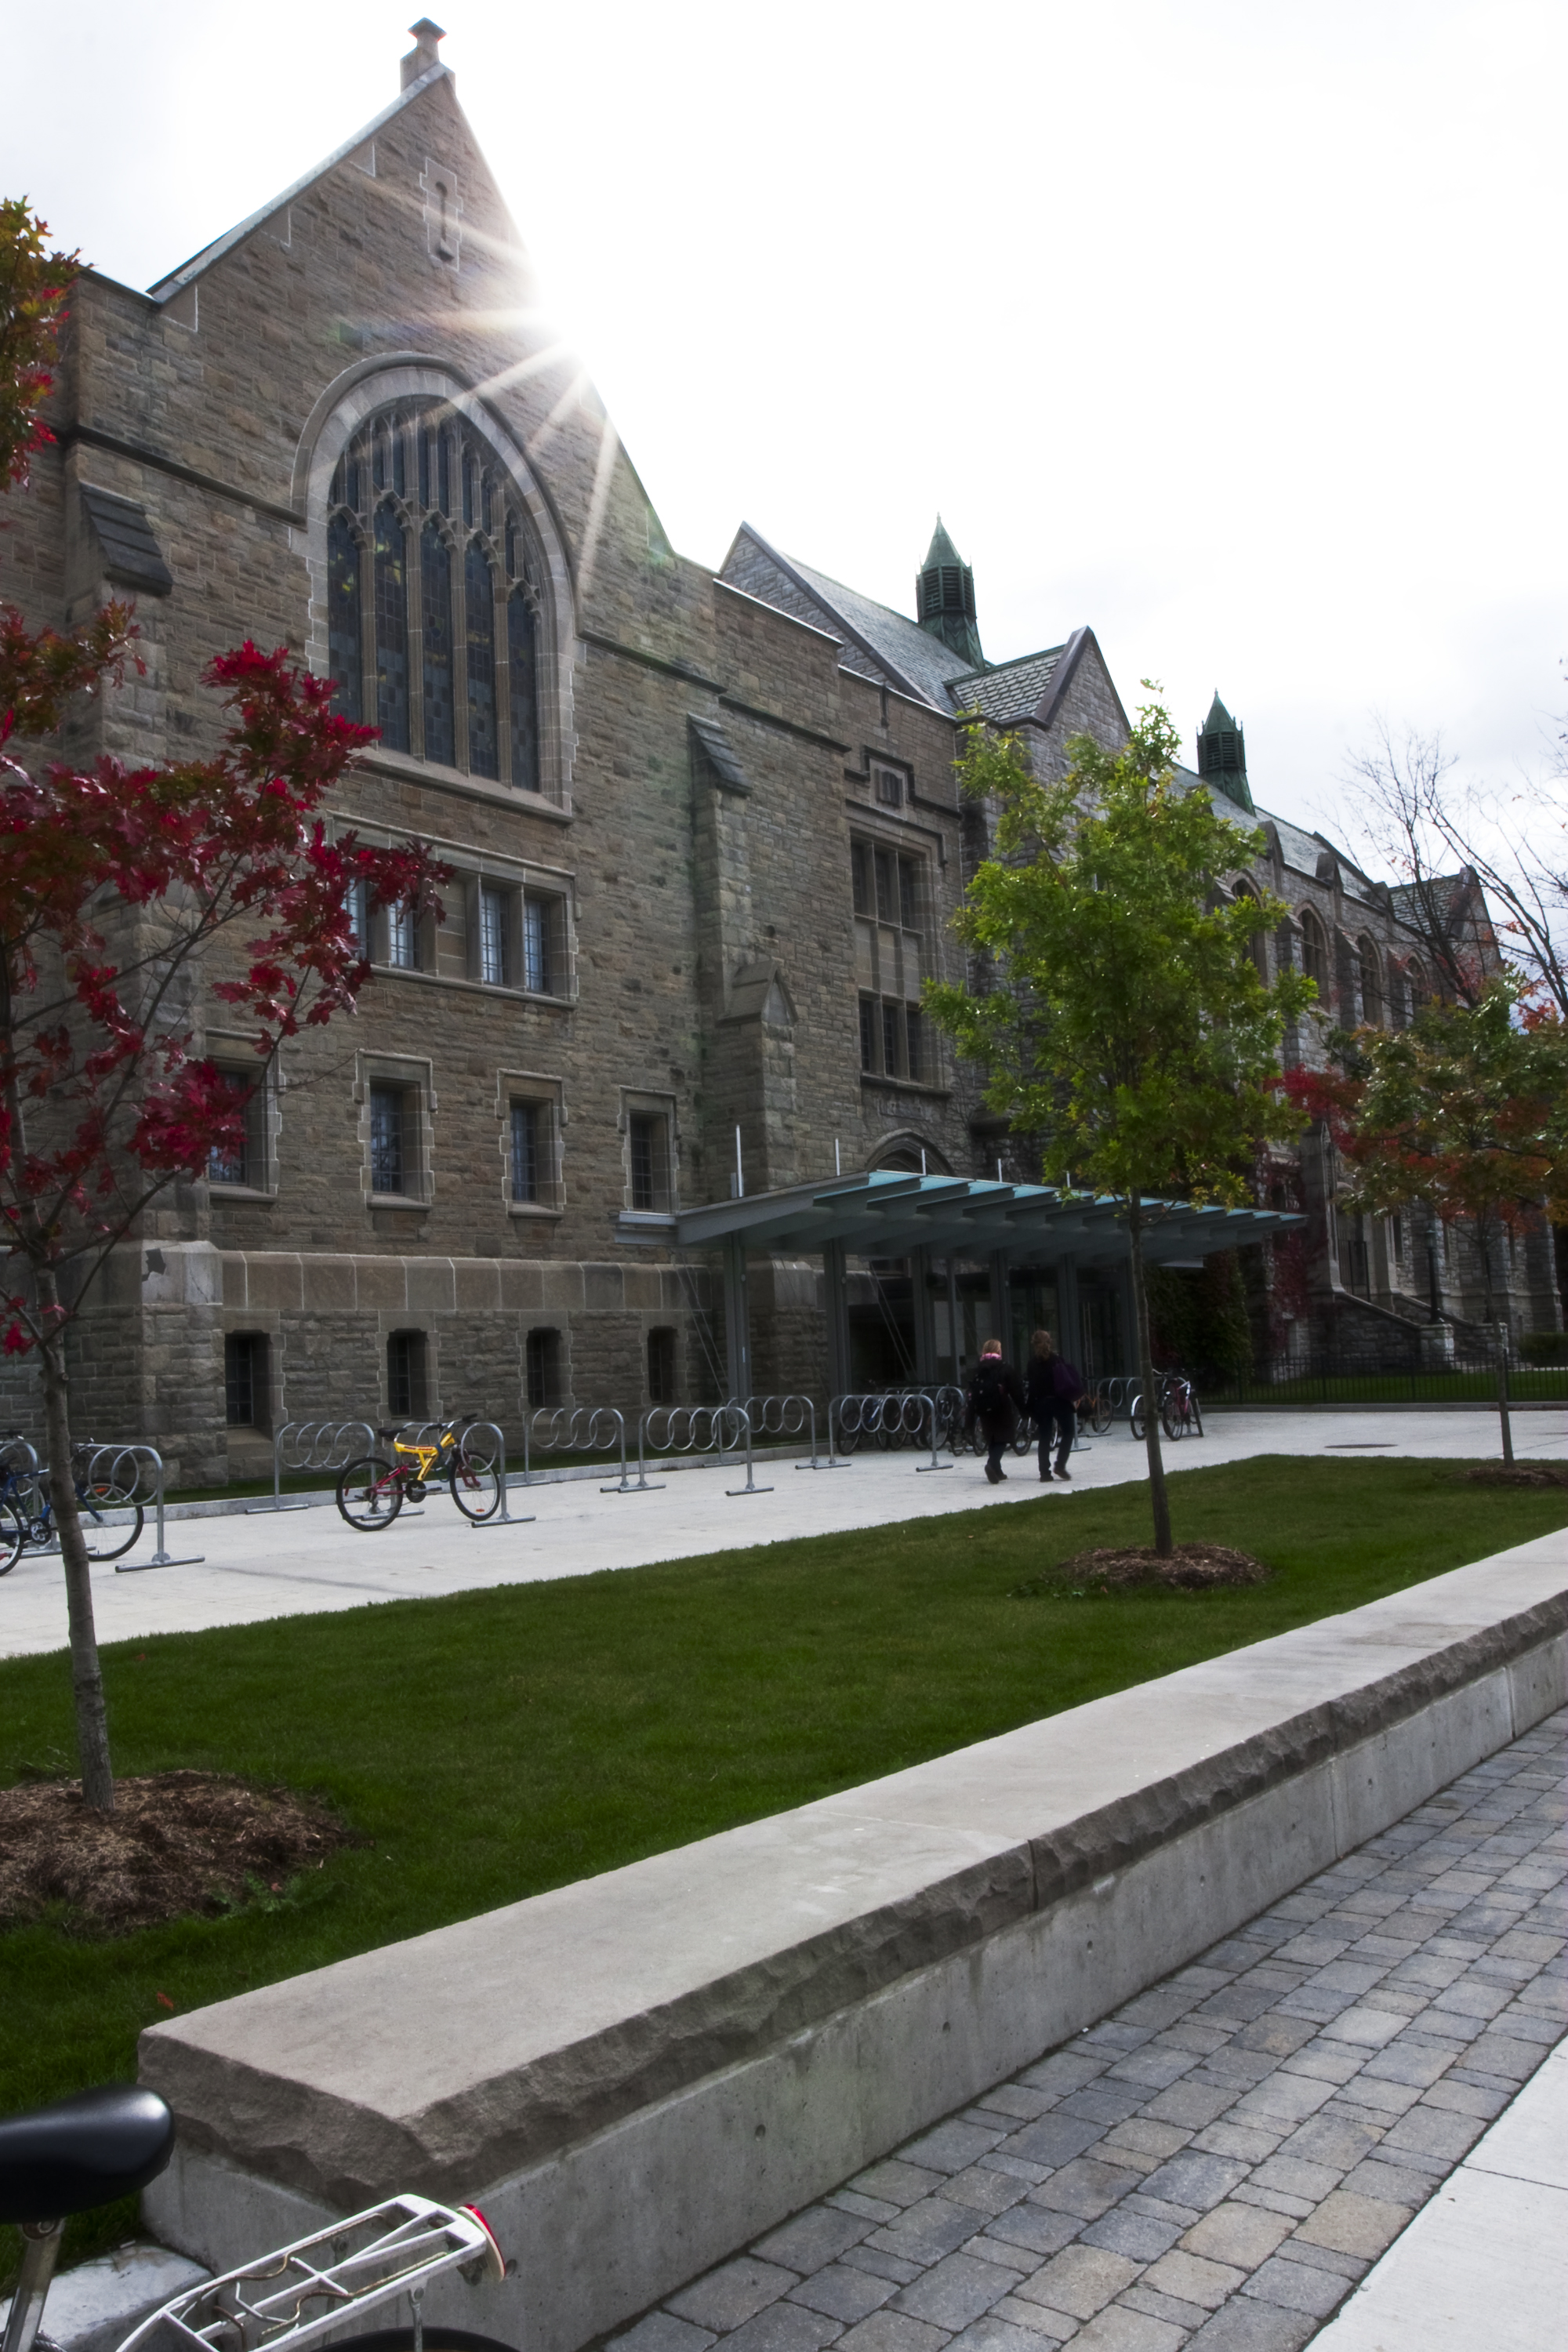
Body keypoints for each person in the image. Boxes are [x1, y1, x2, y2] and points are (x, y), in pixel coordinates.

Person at [1025, 1327, 1085, 1482]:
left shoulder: (1031, 1364)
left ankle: (1044, 1472)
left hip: (1041, 1402)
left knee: (1044, 1436)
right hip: (1058, 1400)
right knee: (1068, 1431)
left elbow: (1032, 1388)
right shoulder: (1056, 1360)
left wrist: (1029, 1407)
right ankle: (1060, 1464)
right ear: (1050, 1342)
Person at [967, 1337, 1025, 1484]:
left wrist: (970, 1415)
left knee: (992, 1438)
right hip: (1001, 1407)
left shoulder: (979, 1369)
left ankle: (997, 1471)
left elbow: (972, 1391)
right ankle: (992, 1465)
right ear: (999, 1351)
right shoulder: (1004, 1368)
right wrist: (1024, 1409)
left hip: (983, 1409)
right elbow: (1016, 1390)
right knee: (1003, 1438)